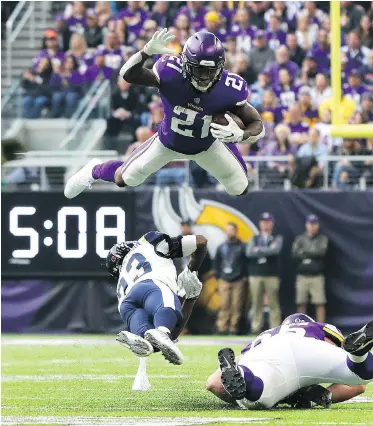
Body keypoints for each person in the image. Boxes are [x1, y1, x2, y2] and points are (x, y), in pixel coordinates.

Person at [65, 30, 265, 200]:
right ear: (185, 63)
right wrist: (145, 52)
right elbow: (127, 74)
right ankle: (94, 170)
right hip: (167, 141)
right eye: (198, 70)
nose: (204, 77)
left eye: (210, 71)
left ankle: (230, 151)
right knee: (124, 178)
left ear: (221, 67)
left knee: (239, 187)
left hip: (207, 146)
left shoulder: (230, 87)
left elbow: (256, 123)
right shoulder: (170, 72)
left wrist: (241, 135)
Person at [206, 314, 373, 409]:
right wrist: (321, 396)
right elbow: (358, 387)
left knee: (256, 397)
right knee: (362, 375)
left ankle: (245, 376)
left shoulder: (265, 336)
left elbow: (214, 384)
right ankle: (360, 354)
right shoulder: (318, 327)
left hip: (266, 355)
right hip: (308, 348)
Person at [108, 230, 207, 365]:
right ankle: (161, 330)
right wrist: (192, 269)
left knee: (152, 342)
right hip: (151, 286)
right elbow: (201, 241)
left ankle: (142, 335)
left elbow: (169, 340)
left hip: (126, 304)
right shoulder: (148, 243)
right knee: (167, 313)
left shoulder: (121, 284)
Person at [246, 212, 283, 334]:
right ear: (260, 224)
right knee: (256, 303)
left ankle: (275, 329)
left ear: (272, 224)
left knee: (273, 303)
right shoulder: (254, 238)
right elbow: (249, 253)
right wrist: (267, 250)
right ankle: (256, 328)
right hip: (256, 275)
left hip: (271, 275)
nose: (266, 224)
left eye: (268, 222)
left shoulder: (277, 237)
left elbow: (275, 251)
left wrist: (259, 250)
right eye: (263, 222)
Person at [214, 223, 248, 335]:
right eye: (228, 230)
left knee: (236, 305)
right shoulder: (221, 247)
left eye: (232, 230)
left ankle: (234, 328)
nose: (230, 232)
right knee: (224, 305)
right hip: (224, 279)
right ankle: (222, 327)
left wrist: (243, 276)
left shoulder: (242, 246)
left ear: (236, 231)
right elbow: (216, 263)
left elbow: (245, 263)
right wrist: (219, 276)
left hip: (237, 279)